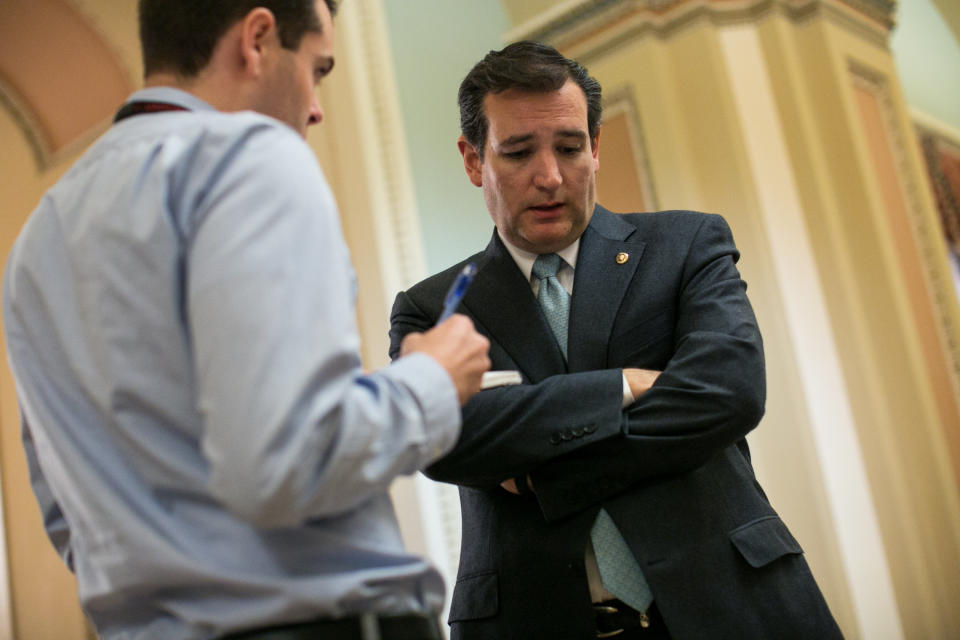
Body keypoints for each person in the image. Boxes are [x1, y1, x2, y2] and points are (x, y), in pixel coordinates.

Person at [2, 1, 491, 639]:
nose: (315, 106)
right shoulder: (254, 156)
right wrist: (432, 380)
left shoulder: (36, 239)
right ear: (257, 39)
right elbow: (287, 460)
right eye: (318, 70)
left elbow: (69, 514)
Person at [389, 41, 843, 639]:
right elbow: (444, 442)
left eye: (571, 148)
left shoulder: (687, 247)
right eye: (519, 152)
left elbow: (728, 394)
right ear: (474, 161)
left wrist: (542, 468)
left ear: (595, 148)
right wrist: (621, 388)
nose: (550, 176)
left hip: (735, 606)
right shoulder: (432, 308)